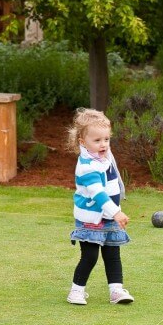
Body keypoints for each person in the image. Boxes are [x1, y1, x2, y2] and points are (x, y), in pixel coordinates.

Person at [66, 108, 134, 305]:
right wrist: (117, 212)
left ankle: (116, 291)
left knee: (113, 253)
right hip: (91, 219)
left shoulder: (103, 155)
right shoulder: (87, 166)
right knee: (90, 256)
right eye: (97, 140)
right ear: (82, 141)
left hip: (108, 217)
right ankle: (76, 291)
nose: (103, 144)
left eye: (106, 139)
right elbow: (98, 194)